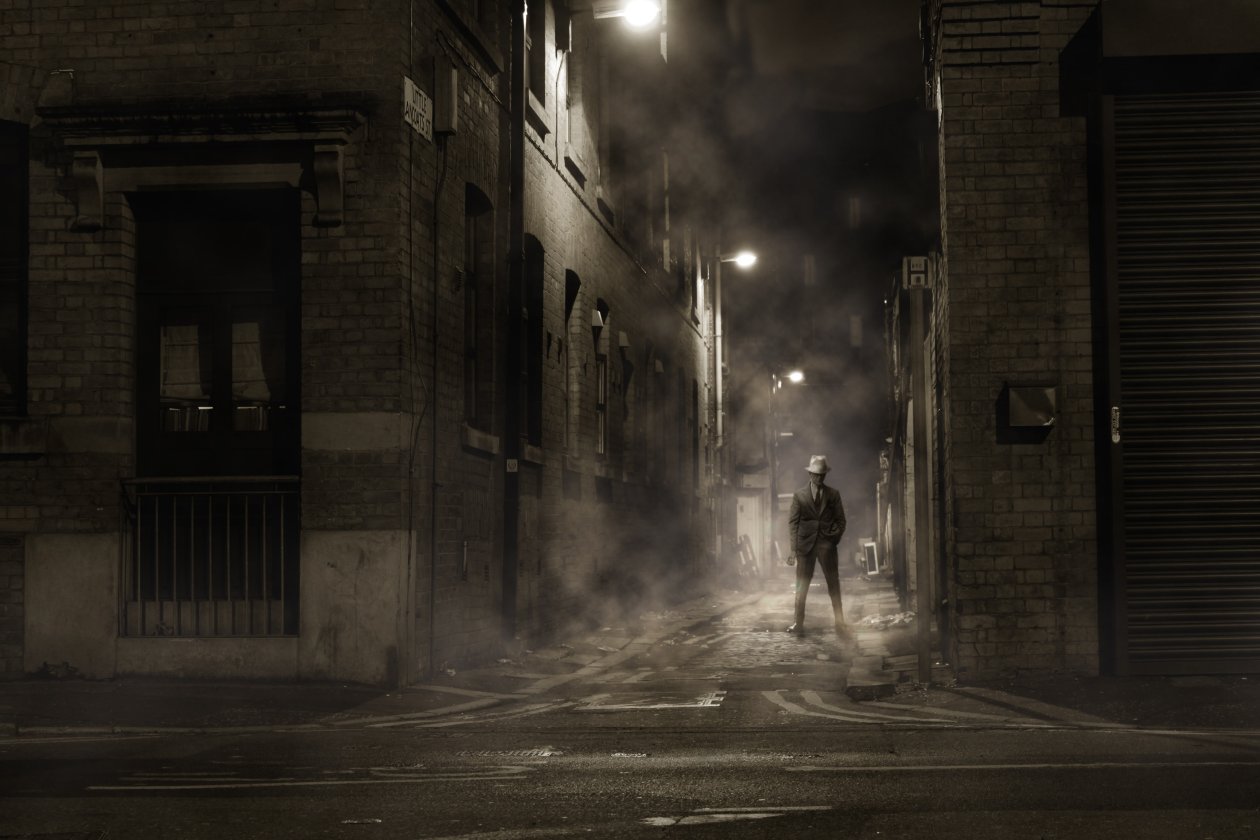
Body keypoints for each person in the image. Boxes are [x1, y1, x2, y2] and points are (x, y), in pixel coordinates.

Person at [786, 455, 847, 637]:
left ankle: (840, 622)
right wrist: (793, 550)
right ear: (810, 474)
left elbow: (841, 521)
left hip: (827, 546)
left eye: (822, 475)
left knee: (833, 584)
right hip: (805, 547)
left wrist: (832, 539)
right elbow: (793, 524)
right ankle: (798, 623)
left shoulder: (833, 494)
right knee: (801, 586)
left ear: (825, 475)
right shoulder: (799, 495)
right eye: (816, 475)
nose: (819, 478)